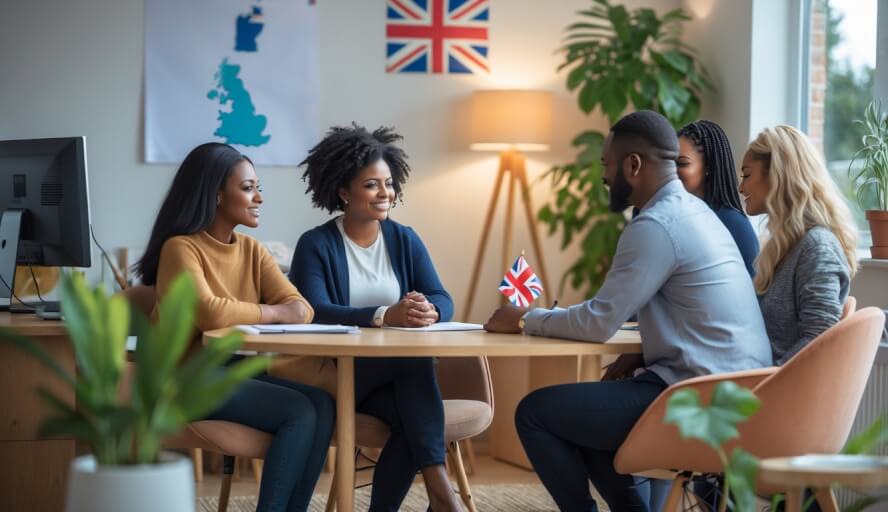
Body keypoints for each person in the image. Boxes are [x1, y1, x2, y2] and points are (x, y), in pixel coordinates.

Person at [484, 111, 772, 512]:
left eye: (606, 164)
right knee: (589, 420)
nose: (603, 175)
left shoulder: (656, 224)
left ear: (632, 165)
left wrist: (522, 317)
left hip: (698, 396)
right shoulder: (699, 214)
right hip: (736, 389)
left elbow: (598, 323)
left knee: (534, 413)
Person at [135, 143, 334, 512]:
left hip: (230, 373)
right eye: (247, 188)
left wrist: (273, 311)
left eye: (259, 188)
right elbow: (211, 313)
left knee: (323, 402)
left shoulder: (253, 250)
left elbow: (303, 309)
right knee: (300, 411)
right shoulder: (180, 249)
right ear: (215, 195)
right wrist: (273, 312)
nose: (258, 197)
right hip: (184, 381)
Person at [287, 124, 463, 512]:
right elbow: (316, 313)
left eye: (389, 184)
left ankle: (418, 500)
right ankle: (443, 493)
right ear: (343, 191)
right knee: (414, 365)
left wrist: (430, 311)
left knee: (409, 420)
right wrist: (386, 315)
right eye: (371, 185)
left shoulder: (404, 238)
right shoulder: (316, 245)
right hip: (341, 372)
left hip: (394, 379)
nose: (386, 193)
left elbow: (442, 296)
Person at [740, 125, 858, 364]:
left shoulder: (817, 246)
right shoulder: (786, 246)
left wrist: (758, 385)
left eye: (747, 175)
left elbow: (818, 340)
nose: (741, 187)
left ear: (776, 175)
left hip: (772, 391)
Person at [676, 120, 759, 275]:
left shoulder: (732, 223)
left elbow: (756, 291)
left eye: (682, 164)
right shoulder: (675, 215)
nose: (672, 171)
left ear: (708, 167)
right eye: (670, 162)